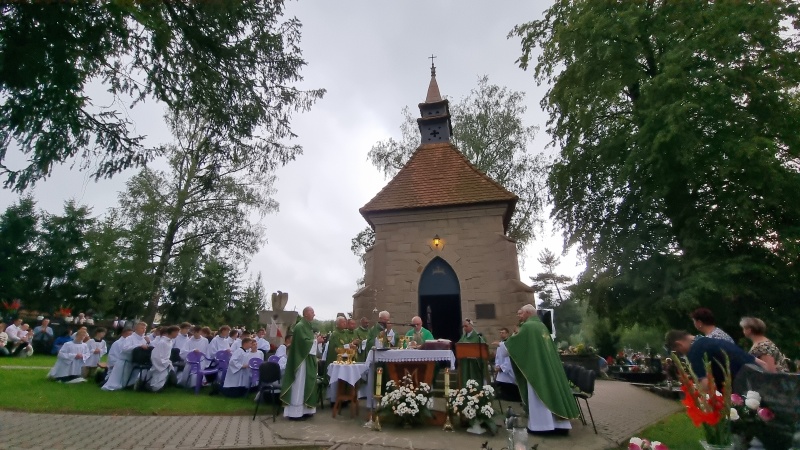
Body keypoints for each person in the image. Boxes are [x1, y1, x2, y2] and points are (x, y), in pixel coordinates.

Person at [506, 304, 579, 435]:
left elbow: (514, 345)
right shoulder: (542, 326)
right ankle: (560, 426)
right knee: (552, 391)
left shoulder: (528, 327)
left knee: (539, 393)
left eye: (521, 313)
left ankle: (541, 426)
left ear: (528, 313)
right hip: (547, 367)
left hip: (537, 369)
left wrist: (504, 344)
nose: (519, 316)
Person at [665, 329, 764, 390]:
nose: (682, 355)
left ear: (679, 344)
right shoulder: (713, 341)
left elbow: (707, 386)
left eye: (679, 352)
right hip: (761, 381)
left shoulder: (694, 352)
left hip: (742, 391)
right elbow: (758, 361)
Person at [281, 306, 325, 420]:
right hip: (300, 361)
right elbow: (302, 343)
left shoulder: (308, 327)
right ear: (305, 314)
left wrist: (316, 340)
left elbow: (308, 342)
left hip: (307, 359)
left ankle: (306, 410)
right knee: (299, 384)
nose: (314, 314)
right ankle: (295, 413)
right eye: (312, 312)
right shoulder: (300, 326)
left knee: (307, 384)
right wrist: (316, 341)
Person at [102, 321, 149, 391]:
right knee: (119, 379)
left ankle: (128, 386)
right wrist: (139, 346)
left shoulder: (144, 340)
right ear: (136, 328)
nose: (144, 330)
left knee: (132, 377)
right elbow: (125, 348)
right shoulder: (130, 338)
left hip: (135, 361)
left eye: (145, 328)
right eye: (142, 328)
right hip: (125, 361)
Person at [147, 325, 180, 391]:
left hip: (166, 363)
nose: (177, 334)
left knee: (171, 379)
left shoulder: (170, 341)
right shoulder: (162, 342)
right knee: (157, 380)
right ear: (172, 332)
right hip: (161, 363)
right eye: (176, 332)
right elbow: (155, 355)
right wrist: (163, 363)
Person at [457, 318, 486, 387]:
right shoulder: (463, 337)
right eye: (463, 326)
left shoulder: (477, 336)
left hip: (474, 362)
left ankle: (476, 389)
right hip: (465, 361)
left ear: (471, 326)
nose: (464, 328)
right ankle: (465, 390)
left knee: (474, 378)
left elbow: (483, 347)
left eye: (466, 326)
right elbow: (459, 345)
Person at [494, 327, 520, 401]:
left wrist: (502, 368)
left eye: (503, 332)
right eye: (500, 333)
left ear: (507, 334)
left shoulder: (508, 344)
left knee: (509, 383)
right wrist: (497, 366)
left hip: (508, 368)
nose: (501, 334)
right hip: (500, 367)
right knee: (500, 382)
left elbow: (508, 358)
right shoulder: (500, 344)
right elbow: (498, 357)